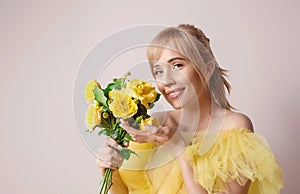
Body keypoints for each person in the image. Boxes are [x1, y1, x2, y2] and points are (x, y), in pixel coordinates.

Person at [96, 24, 284, 194]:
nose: (167, 80)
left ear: (208, 69)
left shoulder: (233, 126)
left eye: (177, 65)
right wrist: (109, 171)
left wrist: (178, 145)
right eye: (159, 71)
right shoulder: (153, 124)